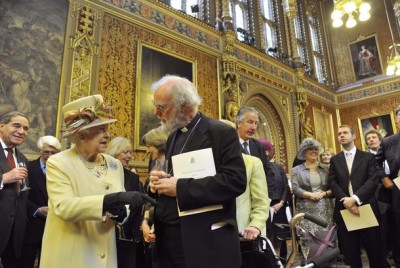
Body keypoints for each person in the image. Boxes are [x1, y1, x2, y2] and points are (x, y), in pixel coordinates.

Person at [40, 95, 154, 268]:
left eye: (107, 129)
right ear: (81, 134)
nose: (108, 135)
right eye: (100, 129)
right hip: (71, 254)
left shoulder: (114, 164)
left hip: (106, 255)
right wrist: (109, 201)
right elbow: (63, 207)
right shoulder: (59, 162)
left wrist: (124, 212)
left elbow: (120, 207)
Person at [148, 75, 247, 268]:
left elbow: (235, 181)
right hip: (171, 241)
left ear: (183, 104)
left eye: (161, 107)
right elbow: (177, 179)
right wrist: (159, 183)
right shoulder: (172, 137)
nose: (156, 112)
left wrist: (180, 187)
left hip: (205, 244)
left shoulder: (220, 132)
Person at [329, 125, 385, 268]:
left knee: (374, 251)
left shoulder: (368, 157)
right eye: (339, 133)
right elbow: (333, 182)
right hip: (344, 210)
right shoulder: (335, 159)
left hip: (366, 207)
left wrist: (355, 199)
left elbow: (373, 180)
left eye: (345, 133)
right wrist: (347, 201)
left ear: (353, 136)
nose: (341, 135)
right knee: (351, 253)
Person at [19, 136, 61, 268]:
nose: (49, 156)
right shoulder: (28, 168)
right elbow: (20, 195)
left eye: (53, 153)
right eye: (46, 152)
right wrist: (36, 210)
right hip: (30, 227)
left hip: (54, 228)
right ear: (39, 151)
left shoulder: (62, 172)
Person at [106, 137, 144, 268]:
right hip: (104, 230)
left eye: (130, 152)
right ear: (115, 152)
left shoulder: (133, 178)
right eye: (125, 152)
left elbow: (135, 207)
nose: (129, 156)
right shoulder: (103, 173)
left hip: (126, 235)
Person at [0, 111, 30, 268]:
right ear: (2, 126)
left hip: (15, 234)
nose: (22, 131)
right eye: (16, 126)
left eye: (25, 128)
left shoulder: (22, 158)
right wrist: (4, 179)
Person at [375, 106, 400, 268]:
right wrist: (384, 178)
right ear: (396, 119)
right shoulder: (388, 142)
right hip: (397, 191)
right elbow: (374, 163)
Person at [292, 138, 334, 233]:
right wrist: (311, 195)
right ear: (304, 152)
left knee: (327, 239)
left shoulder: (327, 168)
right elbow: (295, 188)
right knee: (308, 241)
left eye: (316, 149)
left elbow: (334, 187)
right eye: (310, 149)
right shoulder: (296, 170)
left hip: (325, 209)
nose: (314, 151)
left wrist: (324, 193)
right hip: (306, 211)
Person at [257, 138, 290, 260]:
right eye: (263, 150)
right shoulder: (257, 166)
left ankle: (282, 262)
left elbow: (285, 186)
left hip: (279, 206)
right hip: (264, 206)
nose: (266, 153)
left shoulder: (279, 167)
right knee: (267, 236)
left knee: (280, 237)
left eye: (268, 150)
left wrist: (281, 203)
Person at [364, 129, 392, 268]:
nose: (371, 140)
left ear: (380, 139)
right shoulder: (364, 158)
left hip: (393, 194)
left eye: (374, 137)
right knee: (380, 230)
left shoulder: (389, 152)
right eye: (368, 138)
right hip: (376, 197)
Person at [141, 127, 169, 268]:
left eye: (148, 146)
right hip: (154, 228)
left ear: (159, 144)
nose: (147, 151)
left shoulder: (173, 165)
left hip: (169, 231)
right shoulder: (153, 165)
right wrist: (145, 223)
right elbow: (149, 200)